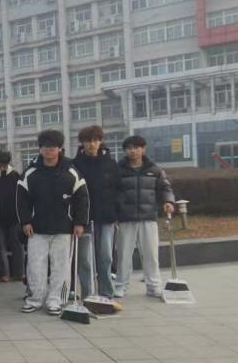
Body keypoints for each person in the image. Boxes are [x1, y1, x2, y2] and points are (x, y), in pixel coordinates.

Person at [16, 129, 90, 314]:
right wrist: (25, 221)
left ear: (60, 149)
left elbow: (82, 199)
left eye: (52, 147)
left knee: (61, 267)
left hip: (64, 228)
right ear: (40, 149)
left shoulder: (71, 172)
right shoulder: (30, 173)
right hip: (36, 229)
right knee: (35, 265)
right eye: (44, 147)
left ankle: (55, 300)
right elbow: (21, 200)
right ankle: (35, 299)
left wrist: (80, 222)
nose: (48, 150)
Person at [115, 134, 176, 299]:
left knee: (151, 254)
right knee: (123, 255)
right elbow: (112, 192)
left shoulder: (154, 170)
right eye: (129, 148)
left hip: (148, 217)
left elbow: (165, 188)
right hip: (126, 218)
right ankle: (120, 286)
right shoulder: (118, 170)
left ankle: (154, 286)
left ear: (143, 149)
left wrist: (168, 201)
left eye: (136, 148)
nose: (132, 151)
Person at [72, 126, 120, 298]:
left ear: (100, 142)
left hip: (106, 218)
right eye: (88, 141)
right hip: (83, 219)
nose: (92, 144)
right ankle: (88, 294)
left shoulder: (111, 164)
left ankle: (106, 292)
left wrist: (116, 213)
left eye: (95, 140)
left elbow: (118, 190)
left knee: (106, 257)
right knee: (84, 260)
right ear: (82, 143)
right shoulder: (75, 165)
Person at [0, 151, 24, 282]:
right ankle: (5, 273)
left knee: (18, 246)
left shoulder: (16, 176)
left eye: (4, 164)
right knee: (1, 247)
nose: (2, 167)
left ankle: (20, 273)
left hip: (15, 218)